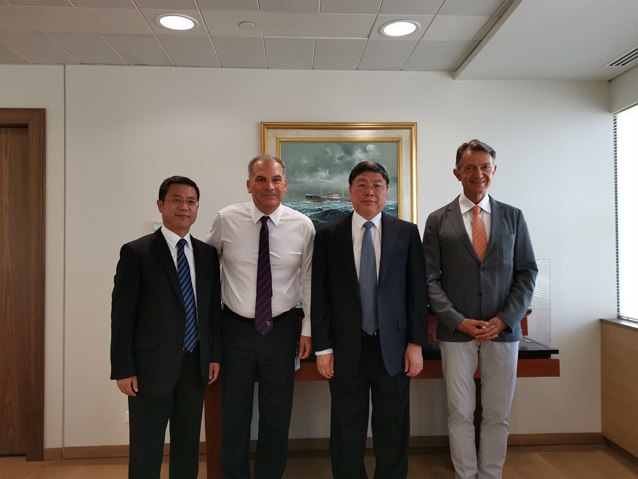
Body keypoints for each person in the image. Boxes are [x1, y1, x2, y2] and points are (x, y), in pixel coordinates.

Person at [423, 140, 537, 479]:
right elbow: (429, 278)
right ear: (457, 172)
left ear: (494, 170)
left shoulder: (514, 217)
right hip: (456, 333)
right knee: (460, 412)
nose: (478, 174)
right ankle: (466, 475)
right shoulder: (437, 220)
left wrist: (505, 319)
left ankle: (490, 475)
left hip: (503, 332)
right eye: (470, 167)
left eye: (485, 167)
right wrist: (457, 321)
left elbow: (527, 273)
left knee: (498, 413)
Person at [311, 161, 428, 479]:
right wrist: (323, 349)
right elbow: (319, 297)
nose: (370, 191)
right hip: (345, 347)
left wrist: (416, 343)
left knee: (393, 427)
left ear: (387, 191)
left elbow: (417, 293)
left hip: (394, 347)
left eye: (377, 184)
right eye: (362, 184)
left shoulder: (407, 233)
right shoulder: (327, 236)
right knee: (346, 429)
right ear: (351, 191)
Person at [205, 154, 314, 479]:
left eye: (276, 179)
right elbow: (207, 269)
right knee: (233, 411)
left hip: (282, 330)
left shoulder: (303, 225)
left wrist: (307, 328)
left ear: (285, 185)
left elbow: (308, 279)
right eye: (261, 179)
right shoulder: (226, 219)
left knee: (277, 413)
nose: (269, 186)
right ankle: (234, 473)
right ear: (249, 184)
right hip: (234, 329)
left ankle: (270, 473)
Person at [110, 176, 221, 479]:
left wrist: (213, 355)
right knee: (146, 448)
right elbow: (122, 317)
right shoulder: (137, 252)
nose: (184, 206)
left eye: (191, 201)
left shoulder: (207, 255)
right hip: (149, 368)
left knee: (187, 447)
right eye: (176, 200)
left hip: (195, 365)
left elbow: (211, 311)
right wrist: (123, 368)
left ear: (197, 208)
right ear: (160, 205)